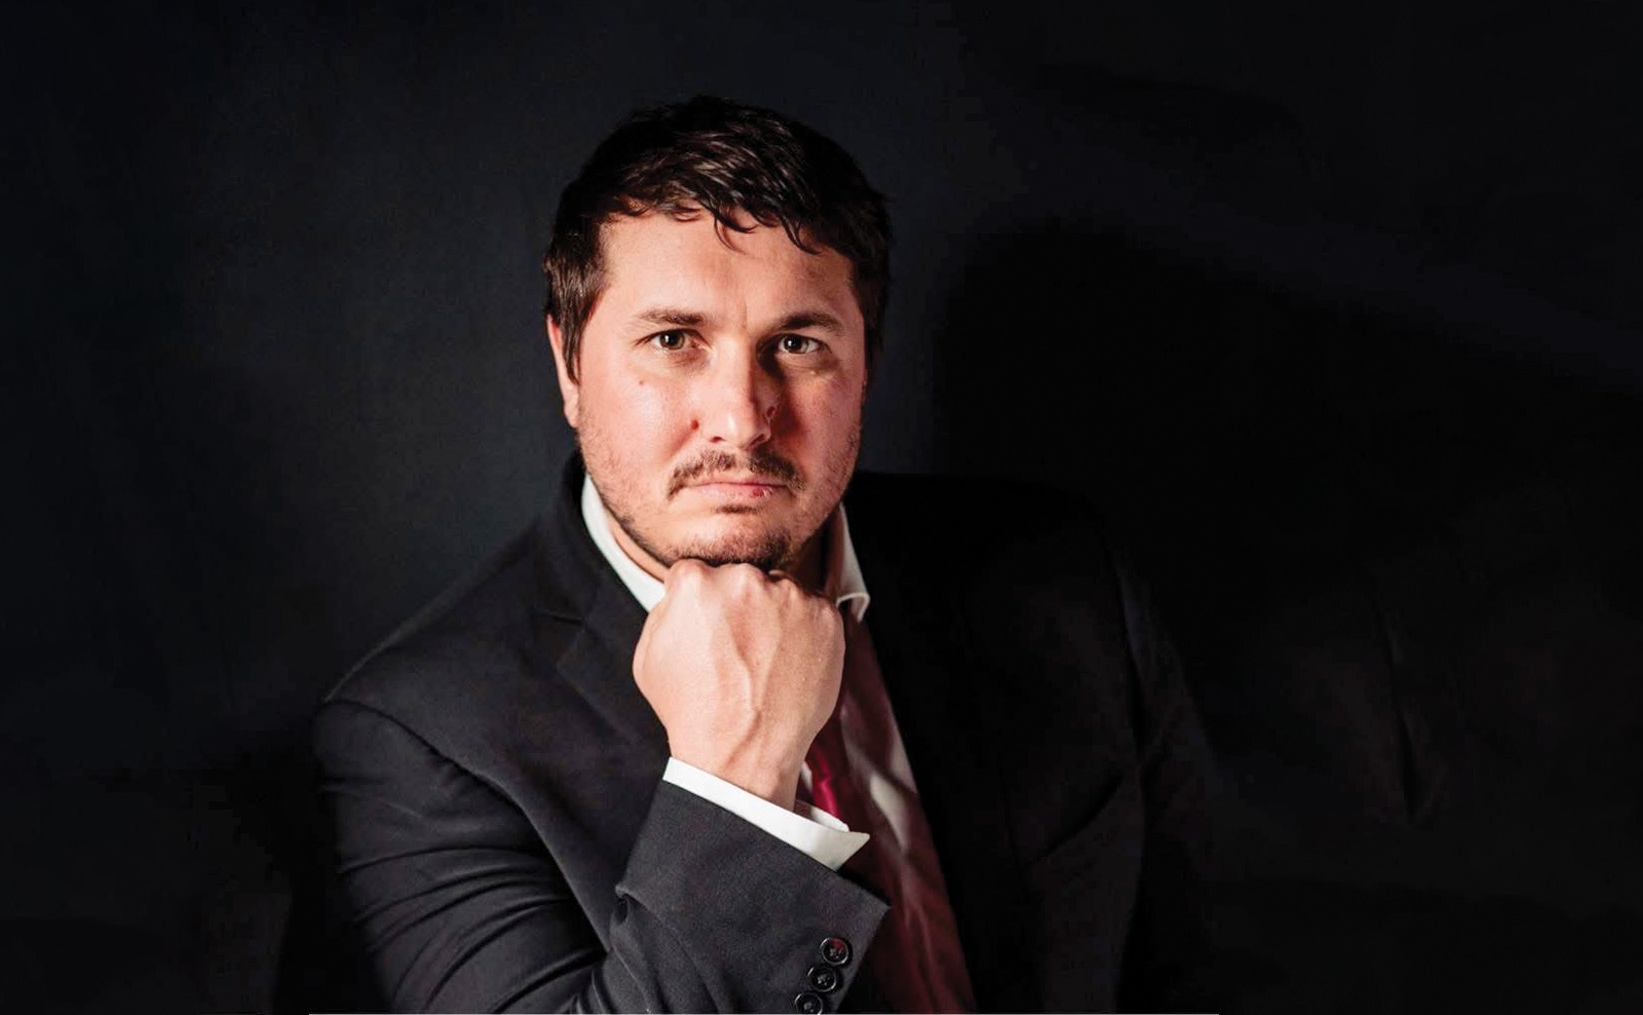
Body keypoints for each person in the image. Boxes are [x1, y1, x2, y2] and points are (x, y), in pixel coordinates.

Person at [314, 96, 1218, 1013]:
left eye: (795, 342)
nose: (743, 420)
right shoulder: (422, 738)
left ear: (865, 363)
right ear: (570, 364)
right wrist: (734, 786)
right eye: (674, 341)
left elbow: (1211, 966)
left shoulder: (1065, 578)